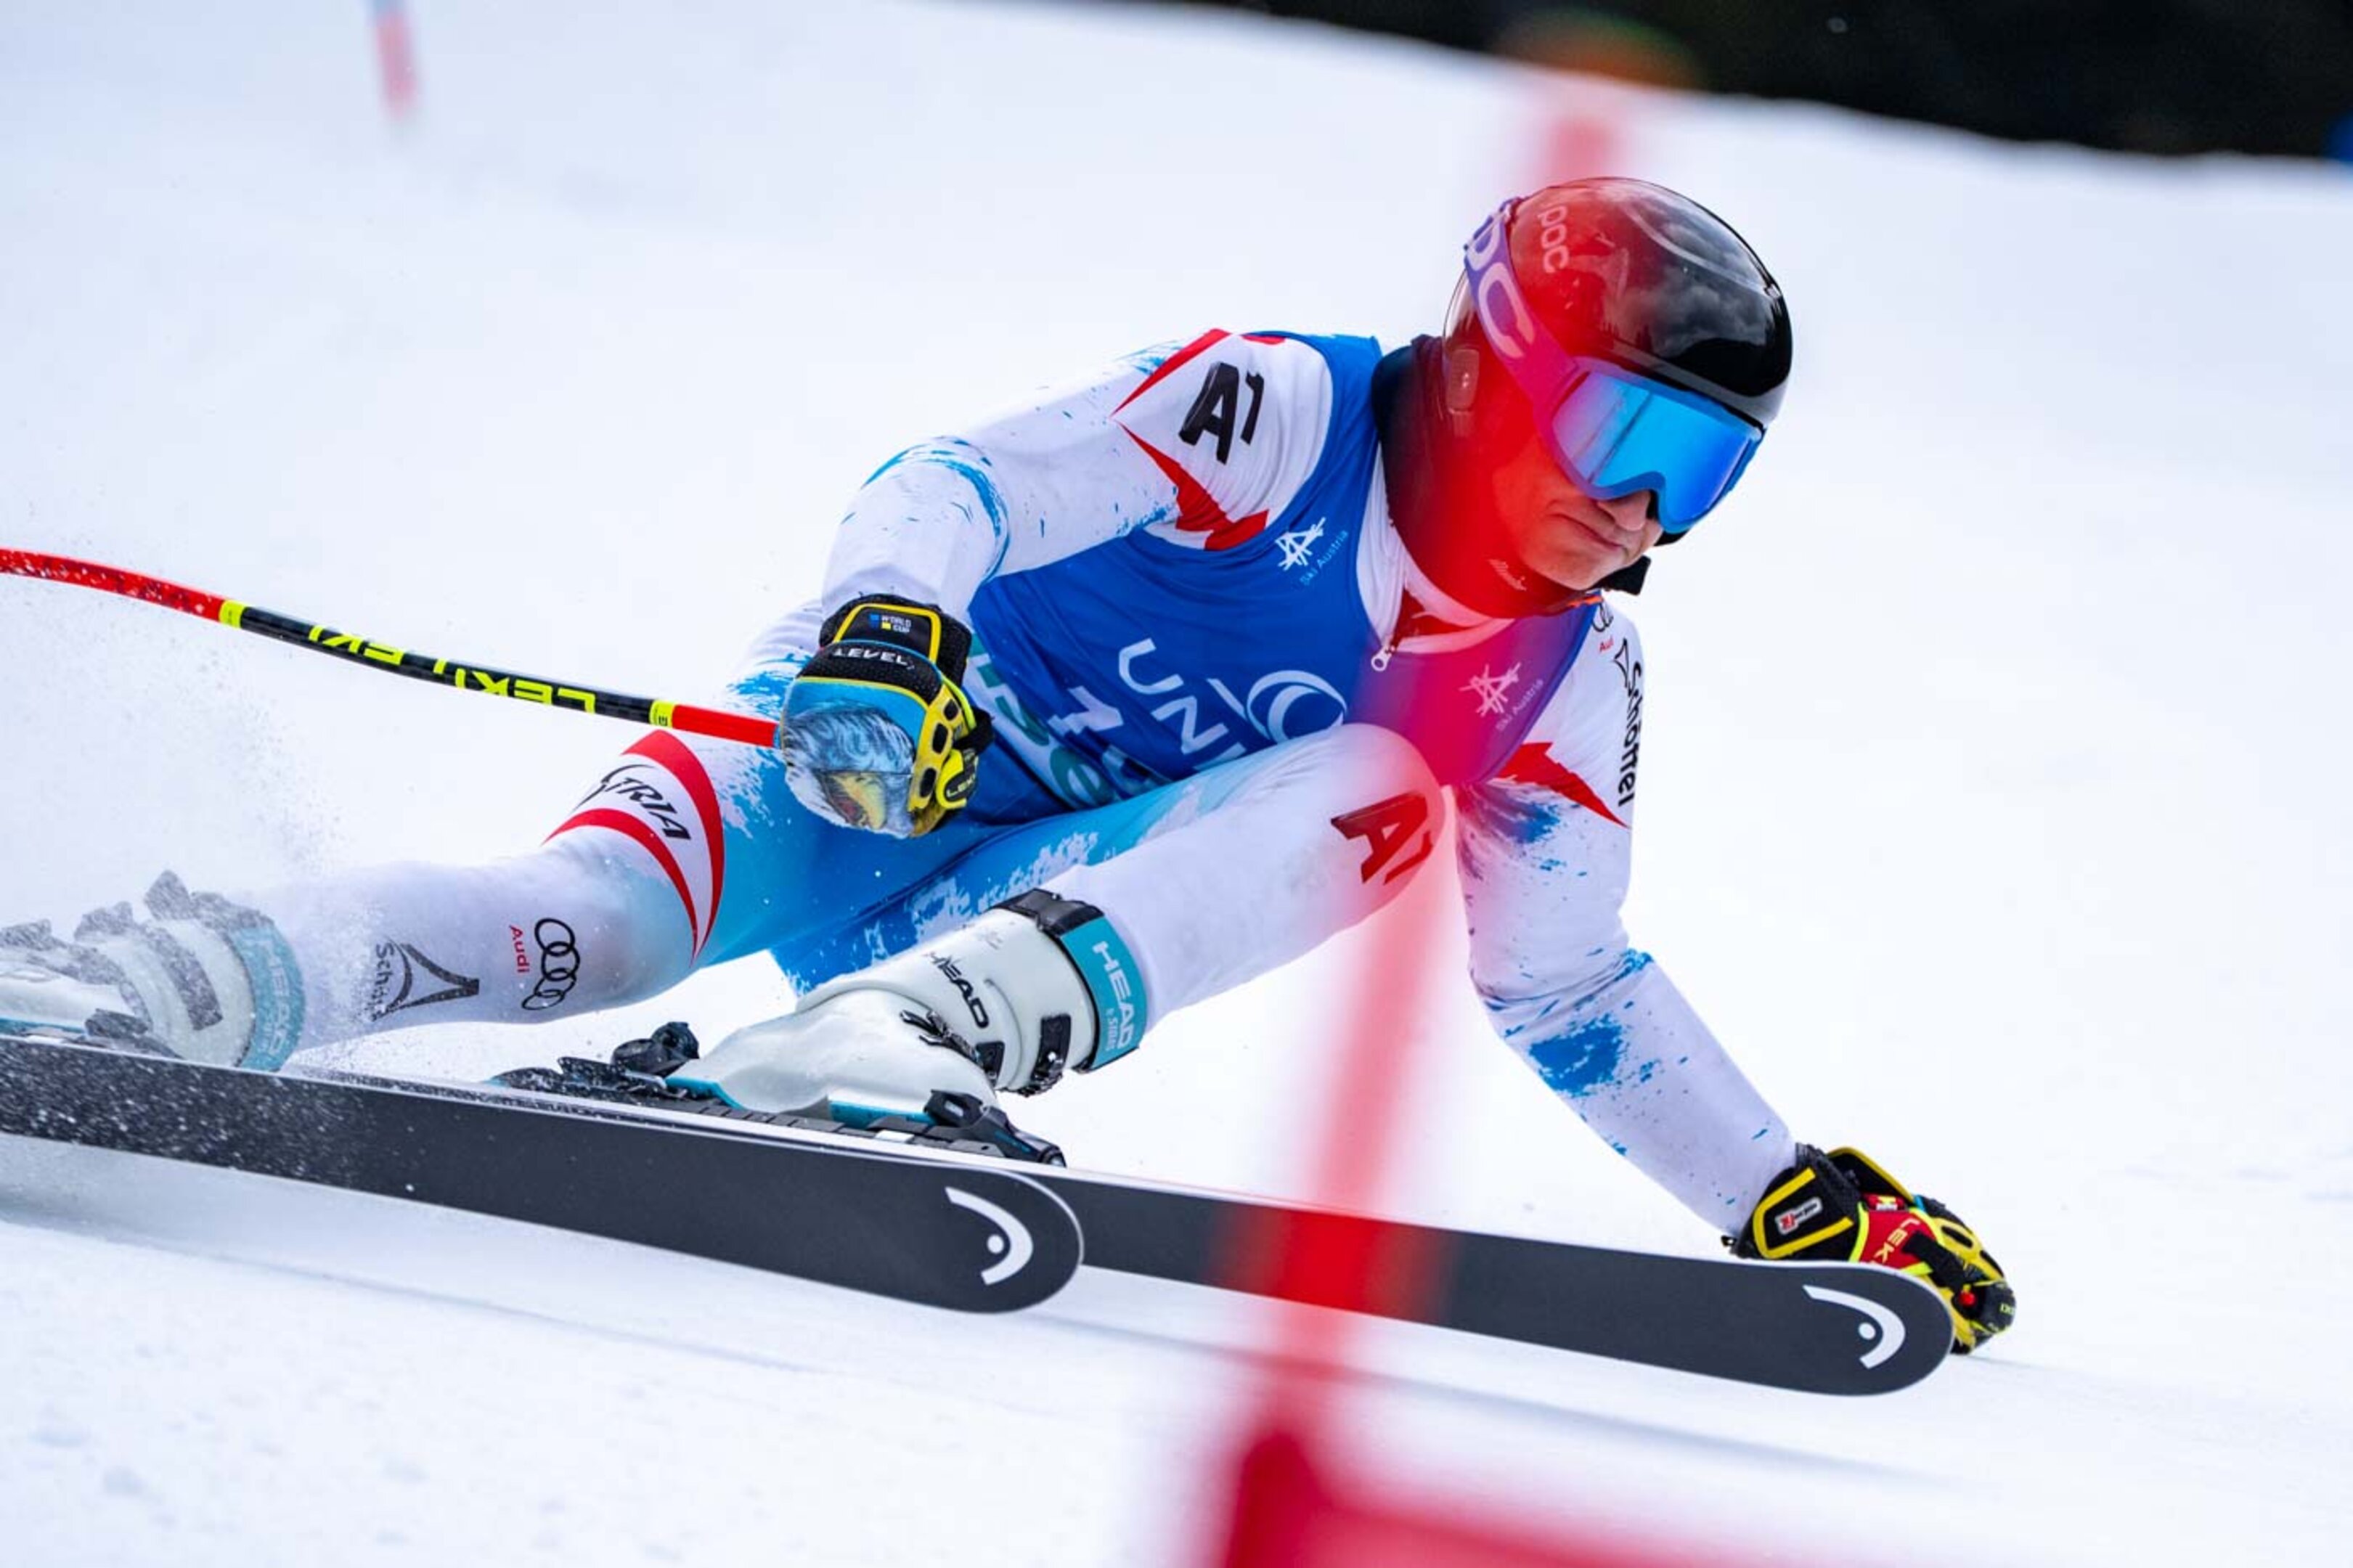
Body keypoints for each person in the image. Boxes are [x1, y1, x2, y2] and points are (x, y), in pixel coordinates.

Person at [0, 179, 2011, 1351]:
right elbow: (956, 485)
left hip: (992, 923)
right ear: (1490, 372)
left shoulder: (1559, 676)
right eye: (1621, 437)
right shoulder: (1273, 412)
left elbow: (1564, 986)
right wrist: (889, 646)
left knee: (1387, 794)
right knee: (585, 923)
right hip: (859, 772)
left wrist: (1783, 1205)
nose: (1640, 515)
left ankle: (884, 1046)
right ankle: (153, 983)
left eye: (1701, 476)